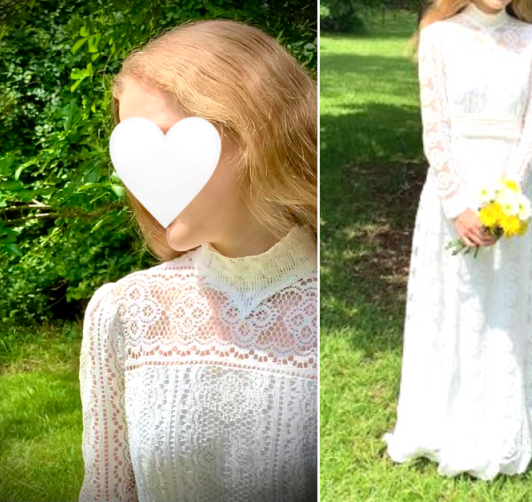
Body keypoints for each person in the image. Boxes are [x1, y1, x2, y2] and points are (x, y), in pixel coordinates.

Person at [78, 19, 317, 501]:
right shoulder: (124, 311)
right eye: (133, 147)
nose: (144, 177)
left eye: (167, 139)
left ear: (257, 132)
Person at [381, 0, 532, 481]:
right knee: (455, 300)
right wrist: (458, 204)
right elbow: (434, 127)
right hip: (452, 186)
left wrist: (505, 198)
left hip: (511, 189)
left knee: (502, 305)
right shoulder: (439, 38)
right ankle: (443, 424)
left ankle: (495, 430)